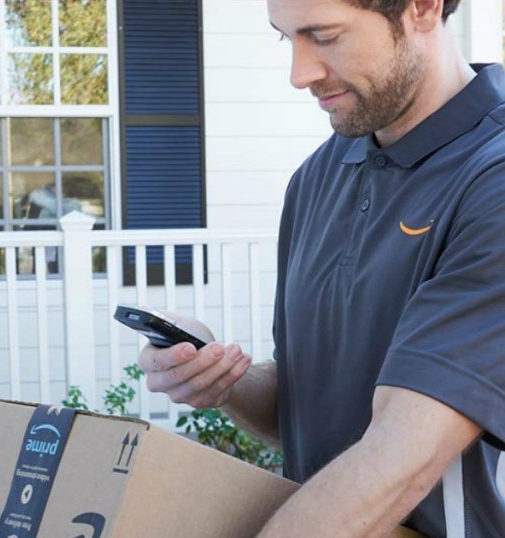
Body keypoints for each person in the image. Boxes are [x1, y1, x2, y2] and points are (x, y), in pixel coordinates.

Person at [138, 0, 505, 535]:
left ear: (423, 9)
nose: (299, 74)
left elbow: (403, 461)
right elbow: (306, 411)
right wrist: (220, 375)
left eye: (325, 37)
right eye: (288, 39)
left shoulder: (491, 180)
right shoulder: (317, 179)